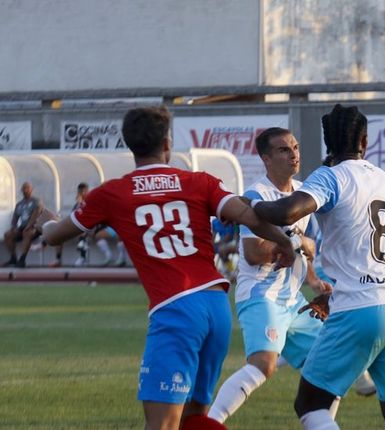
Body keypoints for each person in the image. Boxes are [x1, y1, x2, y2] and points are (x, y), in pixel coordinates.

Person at [41, 105, 297, 430]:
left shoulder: (112, 194)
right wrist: (286, 242)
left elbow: (55, 235)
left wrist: (43, 221)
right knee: (195, 419)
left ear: (130, 145)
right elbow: (249, 215)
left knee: (162, 424)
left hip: (175, 308)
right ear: (167, 143)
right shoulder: (198, 182)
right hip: (216, 306)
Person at [251, 104, 385, 430]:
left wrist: (250, 205)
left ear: (327, 141)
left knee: (310, 404)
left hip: (363, 309)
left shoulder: (331, 176)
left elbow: (288, 211)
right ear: (365, 140)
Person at [207, 127, 334, 424]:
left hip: (293, 300)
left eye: (295, 147)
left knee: (330, 368)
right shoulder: (257, 195)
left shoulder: (303, 195)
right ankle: (210, 422)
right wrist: (293, 242)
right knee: (264, 365)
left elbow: (310, 247)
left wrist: (312, 277)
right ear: (266, 158)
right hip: (262, 294)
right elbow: (254, 252)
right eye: (283, 150)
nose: (294, 154)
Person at [3, 182, 42, 268]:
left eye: (27, 188)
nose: (25, 190)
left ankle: (22, 260)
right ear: (21, 190)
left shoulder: (36, 202)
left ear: (31, 190)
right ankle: (13, 258)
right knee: (7, 235)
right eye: (24, 188)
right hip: (23, 228)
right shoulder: (19, 204)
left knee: (27, 233)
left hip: (35, 228)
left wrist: (28, 226)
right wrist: (14, 227)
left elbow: (36, 216)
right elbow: (15, 218)